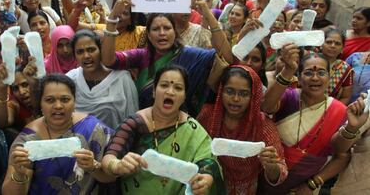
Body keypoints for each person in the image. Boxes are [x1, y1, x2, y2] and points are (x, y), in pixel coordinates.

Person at [101, 0, 235, 117]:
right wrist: (113, 18)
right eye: (155, 29)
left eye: (167, 28)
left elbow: (227, 58)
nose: (162, 33)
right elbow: (109, 60)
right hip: (145, 124)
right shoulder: (141, 56)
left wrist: (207, 13)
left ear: (174, 31)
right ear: (148, 34)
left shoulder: (190, 55)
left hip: (180, 125)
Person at [101, 65, 224, 194]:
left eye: (178, 88)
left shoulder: (192, 128)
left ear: (184, 97)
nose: (170, 92)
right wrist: (118, 165)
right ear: (154, 91)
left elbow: (208, 160)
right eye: (164, 85)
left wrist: (206, 178)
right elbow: (109, 157)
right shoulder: (135, 123)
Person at [2, 74, 115, 194]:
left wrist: (93, 167)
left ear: (74, 101)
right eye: (50, 100)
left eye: (65, 99)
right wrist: (19, 173)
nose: (58, 106)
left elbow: (111, 177)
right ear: (40, 103)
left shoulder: (94, 129)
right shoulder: (27, 141)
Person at [260, 47, 353, 194]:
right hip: (267, 177)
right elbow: (266, 106)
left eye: (321, 73)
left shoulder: (339, 111)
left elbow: (342, 156)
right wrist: (288, 70)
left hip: (305, 188)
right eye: (308, 72)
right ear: (299, 76)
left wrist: (313, 183)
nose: (315, 78)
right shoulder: (288, 97)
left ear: (329, 77)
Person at [198, 65, 287, 194]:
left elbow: (281, 173)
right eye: (229, 91)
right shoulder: (206, 115)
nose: (235, 99)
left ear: (253, 96)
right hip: (207, 186)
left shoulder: (262, 125)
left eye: (244, 94)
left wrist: (271, 166)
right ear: (221, 91)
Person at [66, 30, 139, 129]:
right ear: (74, 56)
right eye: (80, 52)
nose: (86, 56)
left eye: (91, 50)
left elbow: (133, 117)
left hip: (116, 142)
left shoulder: (122, 79)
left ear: (101, 51)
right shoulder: (70, 79)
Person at [321, 29, 353, 105]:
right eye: (329, 42)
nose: (333, 46)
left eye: (337, 44)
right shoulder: (309, 60)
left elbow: (346, 97)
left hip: (328, 109)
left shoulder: (345, 68)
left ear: (342, 48)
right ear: (321, 44)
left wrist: (332, 111)